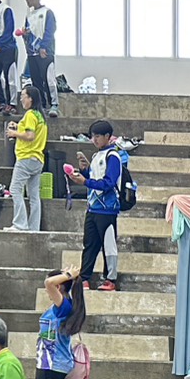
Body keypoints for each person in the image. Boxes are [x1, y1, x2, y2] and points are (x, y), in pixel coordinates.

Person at [66, 120, 124, 290]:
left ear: (107, 136)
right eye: (93, 136)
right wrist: (84, 170)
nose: (94, 140)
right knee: (89, 245)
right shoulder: (96, 156)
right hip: (92, 208)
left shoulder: (113, 156)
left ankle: (110, 279)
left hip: (107, 210)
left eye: (98, 136)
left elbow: (108, 183)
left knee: (109, 246)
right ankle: (84, 278)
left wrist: (85, 181)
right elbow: (94, 178)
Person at [34, 265, 86, 379]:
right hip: (48, 364)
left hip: (52, 365)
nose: (46, 290)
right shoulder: (59, 307)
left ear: (59, 287)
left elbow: (48, 283)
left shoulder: (63, 306)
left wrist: (69, 274)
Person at [4, 85, 48, 233]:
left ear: (31, 98)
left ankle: (20, 224)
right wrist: (17, 126)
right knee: (34, 196)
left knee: (15, 190)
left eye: (23, 96)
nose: (21, 99)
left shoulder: (29, 114)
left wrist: (13, 133)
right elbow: (32, 131)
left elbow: (30, 136)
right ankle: (34, 227)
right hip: (38, 159)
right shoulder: (40, 116)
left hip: (26, 157)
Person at [21, 0, 60, 118]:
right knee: (36, 81)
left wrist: (44, 47)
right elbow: (28, 32)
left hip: (45, 52)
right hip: (32, 53)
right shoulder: (29, 15)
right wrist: (25, 34)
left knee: (48, 79)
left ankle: (53, 104)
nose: (27, 0)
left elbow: (50, 30)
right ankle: (41, 105)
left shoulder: (47, 12)